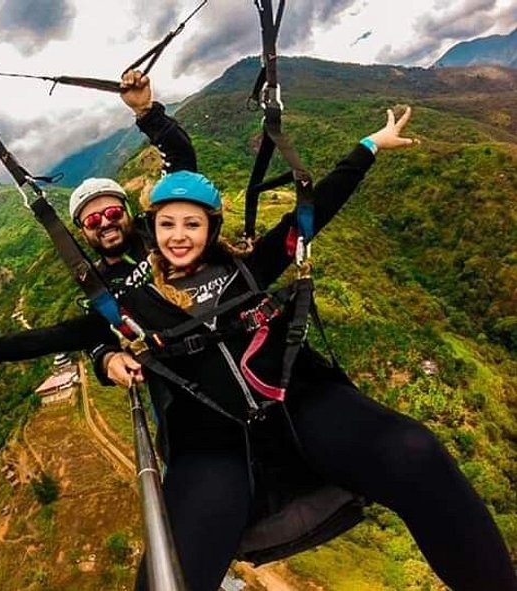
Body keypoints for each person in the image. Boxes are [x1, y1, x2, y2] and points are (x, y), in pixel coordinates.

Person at [97, 109, 517, 591]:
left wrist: (368, 147)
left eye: (190, 224)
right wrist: (104, 358)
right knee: (170, 575)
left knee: (415, 452)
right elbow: (80, 335)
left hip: (295, 397)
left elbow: (308, 215)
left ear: (206, 230)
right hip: (208, 436)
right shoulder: (127, 297)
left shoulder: (243, 269)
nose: (178, 235)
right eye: (167, 224)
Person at [0, 68, 195, 374]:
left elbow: (181, 164)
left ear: (127, 212)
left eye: (111, 213)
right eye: (93, 220)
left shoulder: (160, 230)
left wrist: (146, 112)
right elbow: (58, 337)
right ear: (83, 233)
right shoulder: (100, 287)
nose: (105, 223)